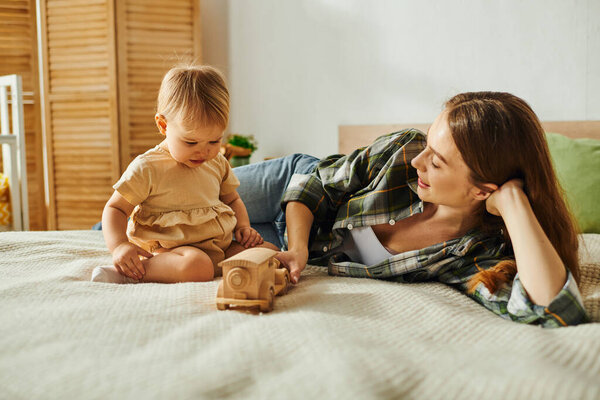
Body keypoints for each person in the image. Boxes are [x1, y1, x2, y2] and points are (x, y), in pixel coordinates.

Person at [235, 91, 589, 328]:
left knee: (191, 246)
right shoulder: (404, 149)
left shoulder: (475, 254)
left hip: (279, 246)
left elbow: (556, 312)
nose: (419, 160)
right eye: (428, 143)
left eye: (437, 162)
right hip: (291, 193)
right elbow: (311, 184)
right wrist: (296, 249)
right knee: (184, 197)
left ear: (482, 190)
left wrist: (514, 203)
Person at [92, 65, 277, 284]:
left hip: (219, 248)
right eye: (191, 142)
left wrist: (244, 227)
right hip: (170, 252)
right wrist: (120, 245)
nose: (204, 151)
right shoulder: (147, 167)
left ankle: (224, 271)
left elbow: (233, 199)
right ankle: (134, 271)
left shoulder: (216, 162)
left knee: (270, 252)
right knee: (196, 266)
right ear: (163, 125)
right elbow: (115, 208)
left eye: (214, 140)